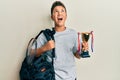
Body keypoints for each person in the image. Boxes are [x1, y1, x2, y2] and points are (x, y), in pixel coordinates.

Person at [32, 1, 88, 80]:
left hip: (71, 77)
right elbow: (31, 54)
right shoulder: (46, 35)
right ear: (52, 17)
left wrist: (83, 51)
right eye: (56, 11)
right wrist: (44, 48)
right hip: (52, 77)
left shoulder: (73, 33)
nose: (59, 14)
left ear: (66, 15)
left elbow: (77, 55)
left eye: (62, 11)